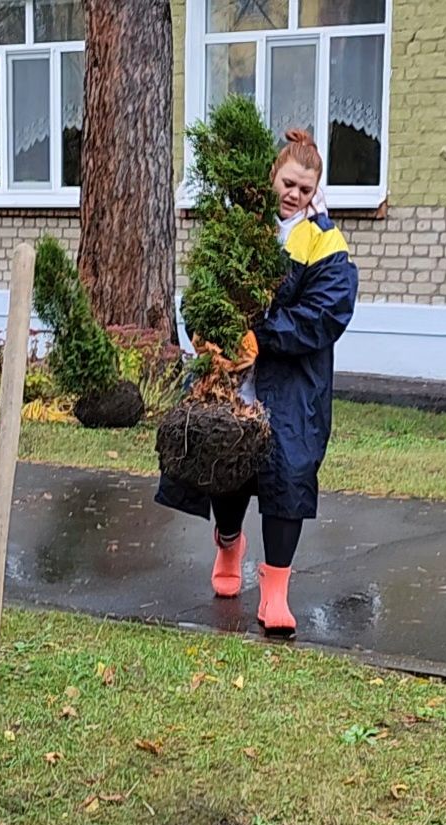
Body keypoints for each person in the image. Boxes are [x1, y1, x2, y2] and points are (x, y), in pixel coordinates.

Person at [158, 129, 358, 638]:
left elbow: (326, 313)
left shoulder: (323, 241)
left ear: (316, 193)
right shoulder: (240, 228)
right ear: (272, 175)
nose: (294, 195)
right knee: (224, 462)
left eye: (306, 190)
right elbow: (202, 290)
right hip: (233, 374)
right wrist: (211, 336)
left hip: (292, 382)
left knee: (287, 474)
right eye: (289, 183)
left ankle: (275, 592)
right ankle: (229, 544)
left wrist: (260, 333)